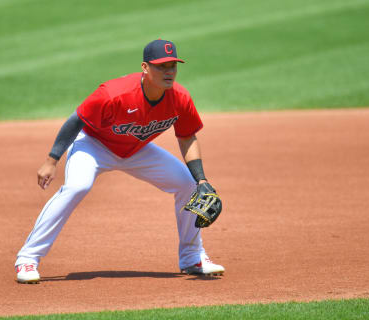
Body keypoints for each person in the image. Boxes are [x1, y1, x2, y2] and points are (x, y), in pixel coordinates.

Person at [15, 39, 225, 283]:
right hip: (95, 146)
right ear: (145, 68)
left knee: (188, 184)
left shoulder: (180, 97)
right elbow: (76, 119)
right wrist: (52, 160)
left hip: (137, 150)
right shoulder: (114, 93)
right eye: (161, 66)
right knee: (77, 187)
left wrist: (201, 179)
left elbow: (187, 137)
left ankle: (193, 257)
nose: (168, 72)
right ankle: (27, 259)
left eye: (172, 66)